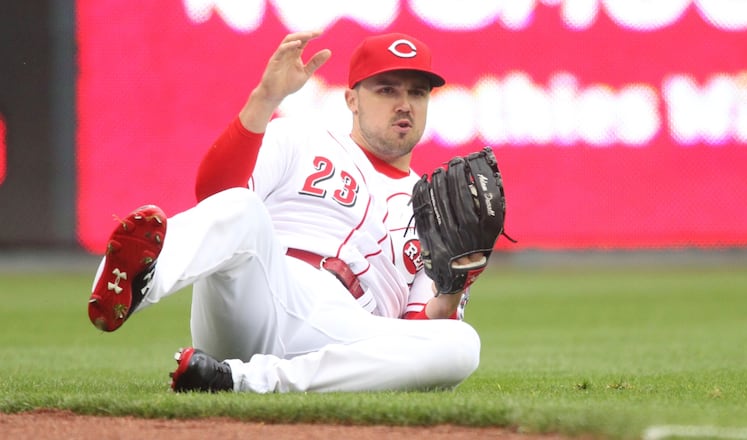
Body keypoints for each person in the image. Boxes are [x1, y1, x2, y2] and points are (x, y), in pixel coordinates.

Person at [87, 30, 484, 393]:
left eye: (417, 93)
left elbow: (416, 335)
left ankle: (237, 381)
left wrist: (453, 289)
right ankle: (139, 282)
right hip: (261, 292)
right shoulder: (298, 136)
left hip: (345, 333)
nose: (404, 105)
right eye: (386, 90)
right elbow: (215, 197)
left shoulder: (439, 212)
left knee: (462, 345)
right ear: (351, 99)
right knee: (241, 204)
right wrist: (265, 98)